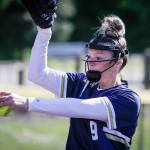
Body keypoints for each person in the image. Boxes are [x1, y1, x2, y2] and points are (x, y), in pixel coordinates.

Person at [0, 1, 141, 149]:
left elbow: (79, 107)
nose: (91, 62)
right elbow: (37, 75)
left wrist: (27, 102)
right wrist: (44, 31)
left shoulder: (128, 99)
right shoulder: (82, 83)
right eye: (90, 56)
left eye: (99, 58)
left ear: (118, 62)